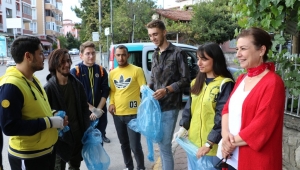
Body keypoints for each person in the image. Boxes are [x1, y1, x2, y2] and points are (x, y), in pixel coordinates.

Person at [219, 27, 285, 170]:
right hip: (231, 157)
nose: (238, 54)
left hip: (256, 160)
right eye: (237, 49)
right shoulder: (242, 78)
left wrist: (230, 143)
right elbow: (226, 110)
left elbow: (262, 126)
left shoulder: (273, 82)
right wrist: (225, 136)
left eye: (243, 49)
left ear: (261, 50)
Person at [0, 36, 67, 170]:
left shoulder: (32, 78)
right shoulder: (11, 85)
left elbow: (33, 109)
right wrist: (50, 122)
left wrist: (53, 115)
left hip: (45, 151)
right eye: (41, 53)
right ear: (28, 56)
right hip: (29, 157)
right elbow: (9, 126)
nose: (44, 57)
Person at [172, 43, 235, 169]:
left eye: (204, 59)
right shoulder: (196, 82)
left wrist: (209, 143)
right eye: (198, 58)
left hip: (213, 146)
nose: (199, 63)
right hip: (193, 143)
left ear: (216, 60)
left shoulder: (225, 84)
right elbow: (188, 109)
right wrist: (183, 128)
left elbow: (221, 117)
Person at [146, 19, 190, 170]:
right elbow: (153, 76)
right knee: (161, 144)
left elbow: (186, 80)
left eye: (155, 34)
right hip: (156, 106)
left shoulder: (178, 53)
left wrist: (167, 90)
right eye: (151, 35)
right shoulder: (155, 53)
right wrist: (148, 87)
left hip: (170, 106)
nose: (153, 38)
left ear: (164, 32)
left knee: (165, 145)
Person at [44, 49, 90, 170]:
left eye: (68, 61)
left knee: (75, 167)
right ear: (54, 64)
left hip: (77, 136)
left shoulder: (77, 84)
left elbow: (84, 108)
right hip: (59, 141)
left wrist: (86, 129)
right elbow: (44, 114)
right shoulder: (49, 88)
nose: (67, 64)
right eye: (62, 62)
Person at [108, 45, 146, 170]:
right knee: (124, 144)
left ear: (128, 55)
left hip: (133, 114)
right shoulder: (112, 73)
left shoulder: (137, 70)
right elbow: (112, 91)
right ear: (115, 56)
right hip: (118, 114)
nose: (121, 57)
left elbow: (143, 89)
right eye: (118, 55)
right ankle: (129, 166)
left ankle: (141, 167)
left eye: (123, 55)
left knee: (135, 145)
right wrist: (111, 103)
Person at [70, 41, 111, 143]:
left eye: (93, 53)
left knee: (99, 141)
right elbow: (76, 94)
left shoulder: (101, 70)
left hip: (100, 112)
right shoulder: (76, 71)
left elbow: (105, 91)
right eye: (88, 53)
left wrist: (98, 110)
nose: (91, 56)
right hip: (84, 113)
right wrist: (92, 109)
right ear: (81, 55)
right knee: (85, 144)